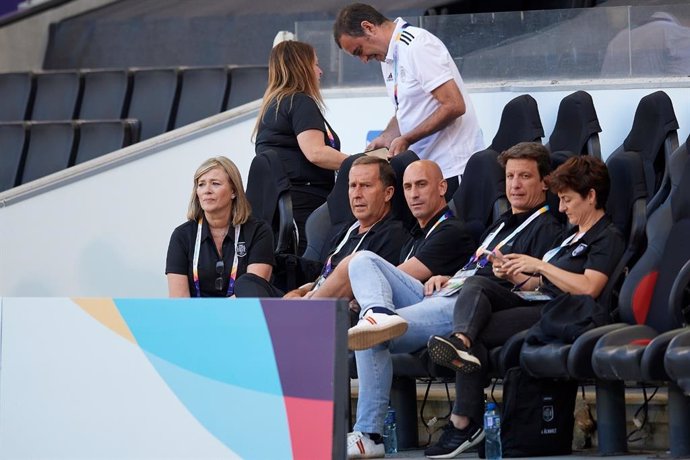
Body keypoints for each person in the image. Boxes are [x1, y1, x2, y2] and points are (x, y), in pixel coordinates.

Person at [345, 142, 563, 459]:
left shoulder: (548, 228)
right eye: (510, 176)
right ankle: (377, 312)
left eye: (525, 177)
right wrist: (447, 276)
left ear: (544, 182)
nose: (514, 185)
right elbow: (474, 269)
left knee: (372, 337)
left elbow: (538, 289)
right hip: (443, 292)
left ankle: (369, 433)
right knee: (362, 260)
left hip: (467, 307)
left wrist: (512, 275)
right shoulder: (499, 223)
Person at [424, 155, 625, 458]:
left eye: (567, 200)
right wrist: (513, 273)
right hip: (540, 302)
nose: (562, 208)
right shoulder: (572, 234)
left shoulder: (606, 236)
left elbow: (588, 287)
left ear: (592, 196)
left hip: (567, 314)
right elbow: (537, 285)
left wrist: (539, 266)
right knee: (478, 285)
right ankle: (461, 348)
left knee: (475, 332)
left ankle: (463, 423)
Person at [333, 3, 484, 198]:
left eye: (359, 50)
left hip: (452, 168)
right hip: (425, 170)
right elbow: (406, 108)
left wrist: (407, 138)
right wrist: (388, 137)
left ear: (369, 27)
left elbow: (454, 105)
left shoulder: (417, 45)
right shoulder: (387, 56)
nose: (363, 59)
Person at [234, 155, 408, 298]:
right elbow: (324, 277)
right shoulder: (347, 231)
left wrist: (309, 300)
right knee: (248, 282)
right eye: (352, 186)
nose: (357, 194)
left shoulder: (393, 235)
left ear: (388, 193)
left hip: (338, 311)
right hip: (313, 298)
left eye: (366, 186)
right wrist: (299, 292)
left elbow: (364, 287)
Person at [254, 40, 349, 254]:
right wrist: (360, 163)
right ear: (302, 68)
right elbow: (316, 152)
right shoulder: (299, 102)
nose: (320, 71)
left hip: (285, 207)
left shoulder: (275, 105)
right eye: (315, 64)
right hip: (306, 205)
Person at [166, 156, 275, 298]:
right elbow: (179, 301)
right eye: (201, 184)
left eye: (215, 184)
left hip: (242, 316)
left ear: (234, 191)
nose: (207, 190)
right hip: (195, 318)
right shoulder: (181, 236)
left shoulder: (259, 232)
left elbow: (252, 294)